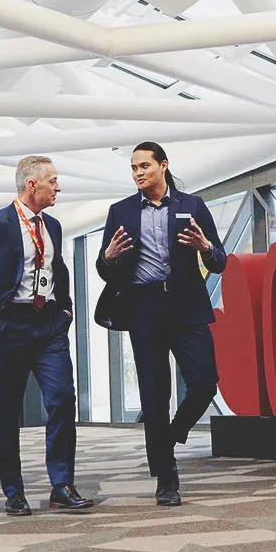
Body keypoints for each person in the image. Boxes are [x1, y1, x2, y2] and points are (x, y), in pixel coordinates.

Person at [0, 155, 95, 516]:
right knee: (6, 410)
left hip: (48, 324)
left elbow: (54, 268)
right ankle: (13, 490)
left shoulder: (55, 227)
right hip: (9, 327)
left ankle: (61, 484)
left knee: (62, 398)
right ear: (32, 186)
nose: (58, 187)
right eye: (53, 181)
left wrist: (64, 310)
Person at [94, 142, 228, 507]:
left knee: (204, 383)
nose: (137, 172)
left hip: (186, 306)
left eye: (144, 166)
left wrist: (204, 247)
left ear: (163, 166)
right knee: (155, 396)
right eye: (133, 168)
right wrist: (106, 257)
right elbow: (104, 268)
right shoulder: (120, 211)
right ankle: (166, 479)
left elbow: (219, 261)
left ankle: (173, 433)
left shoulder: (192, 206)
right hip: (144, 307)